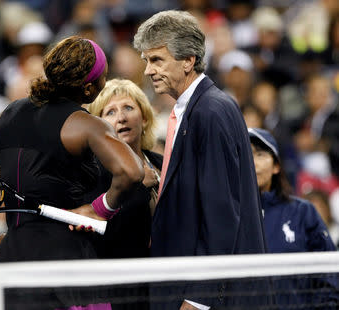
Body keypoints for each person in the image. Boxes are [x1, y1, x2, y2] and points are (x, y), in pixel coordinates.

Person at [0, 36, 144, 310]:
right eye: (104, 77)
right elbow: (131, 172)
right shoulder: (85, 124)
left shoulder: (9, 114)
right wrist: (100, 208)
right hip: (68, 268)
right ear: (89, 88)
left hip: (11, 263)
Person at [133, 10, 268, 309]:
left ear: (188, 60)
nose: (147, 71)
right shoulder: (199, 108)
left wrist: (199, 297)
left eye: (156, 60)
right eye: (146, 61)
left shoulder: (210, 112)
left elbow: (221, 212)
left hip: (207, 296)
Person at [86, 78, 162, 310]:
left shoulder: (163, 162)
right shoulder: (94, 173)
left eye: (128, 108)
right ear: (98, 127)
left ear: (145, 118)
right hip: (122, 291)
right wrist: (139, 187)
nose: (121, 117)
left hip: (166, 281)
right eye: (110, 112)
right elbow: (100, 231)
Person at [249, 127, 338, 308]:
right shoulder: (227, 216)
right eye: (245, 154)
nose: (252, 162)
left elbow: (329, 271)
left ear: (276, 166)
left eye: (259, 154)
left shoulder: (303, 212)